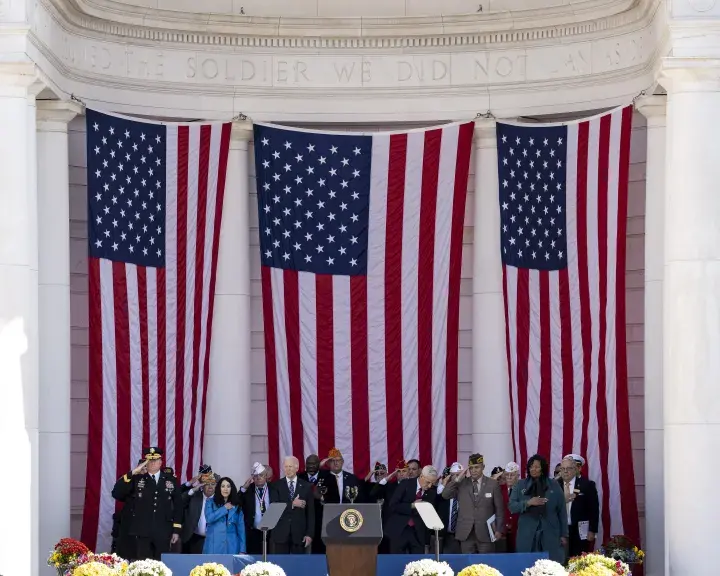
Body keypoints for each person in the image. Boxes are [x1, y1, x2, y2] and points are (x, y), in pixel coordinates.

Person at [111, 447, 183, 560]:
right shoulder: (137, 479)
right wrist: (132, 473)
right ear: (146, 462)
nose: (153, 463)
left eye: (155, 460)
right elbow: (117, 493)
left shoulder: (170, 480)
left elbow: (179, 506)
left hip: (163, 531)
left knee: (161, 564)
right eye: (150, 460)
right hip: (142, 531)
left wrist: (176, 530)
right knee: (143, 565)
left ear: (161, 462)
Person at [510, 454, 568, 564]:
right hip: (527, 534)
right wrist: (528, 503)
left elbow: (562, 511)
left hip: (550, 533)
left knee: (551, 566)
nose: (533, 469)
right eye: (531, 467)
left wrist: (563, 534)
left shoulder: (554, 485)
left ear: (543, 468)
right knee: (527, 565)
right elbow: (512, 506)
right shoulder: (520, 484)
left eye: (537, 467)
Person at [441, 454, 504, 554]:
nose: (473, 470)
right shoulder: (462, 483)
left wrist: (499, 529)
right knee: (468, 564)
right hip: (466, 533)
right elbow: (445, 495)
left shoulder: (492, 484)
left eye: (477, 467)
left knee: (486, 564)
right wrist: (456, 480)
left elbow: (499, 509)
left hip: (486, 533)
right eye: (471, 468)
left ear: (483, 467)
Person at [386, 465, 440, 554]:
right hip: (400, 529)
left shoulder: (432, 492)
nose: (430, 486)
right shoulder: (406, 484)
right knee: (396, 560)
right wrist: (411, 505)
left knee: (417, 562)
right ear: (421, 476)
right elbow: (393, 505)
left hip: (418, 532)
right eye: (428, 482)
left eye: (432, 483)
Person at [270, 456, 315, 554]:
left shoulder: (306, 486)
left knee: (298, 565)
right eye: (286, 467)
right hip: (280, 534)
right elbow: (274, 507)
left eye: (290, 466)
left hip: (299, 535)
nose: (288, 469)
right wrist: (292, 504)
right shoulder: (276, 485)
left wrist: (309, 534)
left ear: (297, 468)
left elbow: (311, 513)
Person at [559, 455, 599, 558]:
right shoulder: (555, 485)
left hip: (580, 529)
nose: (565, 471)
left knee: (578, 560)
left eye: (569, 468)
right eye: (563, 469)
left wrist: (592, 530)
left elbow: (594, 509)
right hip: (560, 530)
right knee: (561, 560)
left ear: (575, 469)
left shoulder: (587, 485)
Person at [203, 477, 246, 554]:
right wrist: (224, 508)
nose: (225, 489)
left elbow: (241, 530)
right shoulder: (210, 502)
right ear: (219, 488)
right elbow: (209, 518)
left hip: (232, 546)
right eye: (223, 486)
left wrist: (242, 550)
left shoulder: (237, 506)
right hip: (214, 545)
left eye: (228, 486)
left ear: (231, 489)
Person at [181, 470, 218, 554]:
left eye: (213, 484)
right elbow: (179, 502)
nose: (210, 487)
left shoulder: (220, 500)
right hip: (194, 539)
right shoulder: (194, 496)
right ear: (202, 486)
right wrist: (192, 490)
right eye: (207, 484)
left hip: (214, 540)